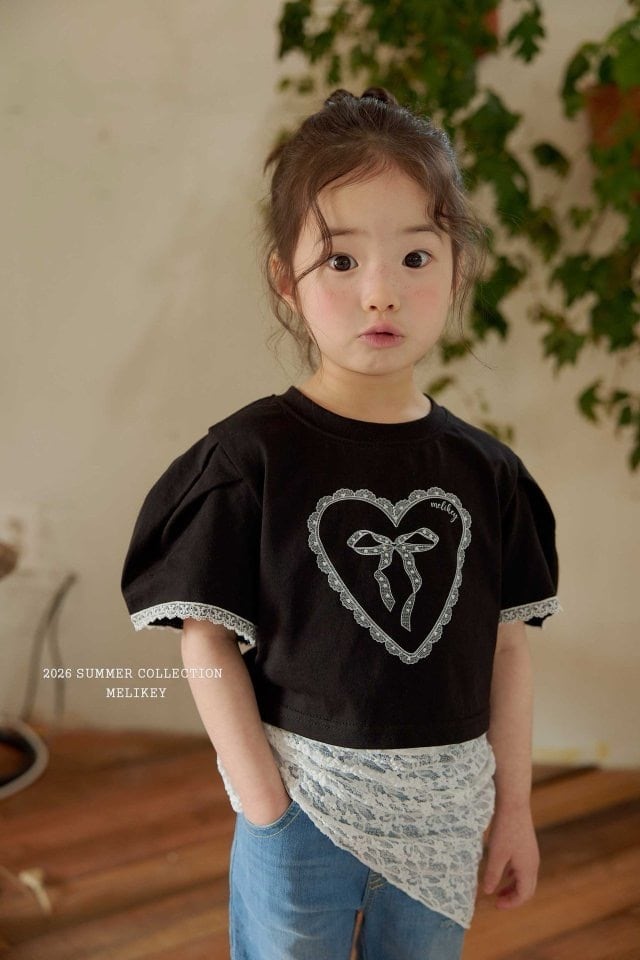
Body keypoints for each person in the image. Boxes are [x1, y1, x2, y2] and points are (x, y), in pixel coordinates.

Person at [121, 87, 561, 960]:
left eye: (415, 256)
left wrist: (513, 809)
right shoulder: (250, 458)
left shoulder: (489, 473)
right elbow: (206, 640)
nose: (380, 294)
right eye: (342, 260)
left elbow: (508, 648)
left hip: (446, 819)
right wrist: (267, 808)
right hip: (302, 814)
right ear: (286, 280)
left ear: (459, 270)